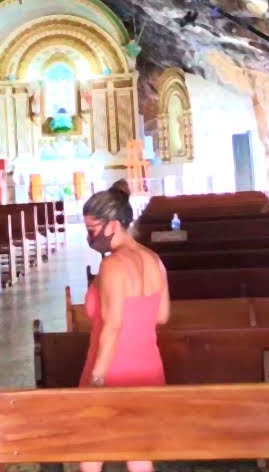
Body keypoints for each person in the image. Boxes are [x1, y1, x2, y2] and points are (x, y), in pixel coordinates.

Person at [80, 183, 170, 472]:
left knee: (90, 454)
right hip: (148, 365)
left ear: (113, 225)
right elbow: (162, 316)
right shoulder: (154, 260)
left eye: (92, 228)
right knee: (138, 452)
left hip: (112, 368)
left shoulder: (113, 265)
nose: (89, 236)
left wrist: (96, 379)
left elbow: (113, 327)